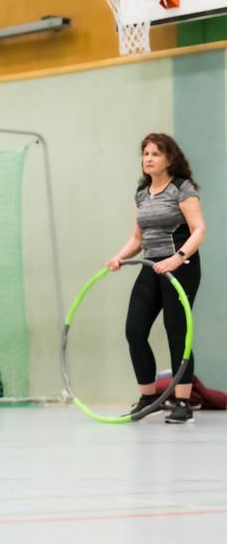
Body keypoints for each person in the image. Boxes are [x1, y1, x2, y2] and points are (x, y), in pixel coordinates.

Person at [106, 133, 205, 424]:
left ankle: (183, 402)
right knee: (134, 331)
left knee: (177, 332)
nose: (148, 158)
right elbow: (138, 237)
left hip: (181, 266)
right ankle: (149, 398)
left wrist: (178, 258)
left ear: (169, 159)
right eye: (145, 153)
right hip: (150, 266)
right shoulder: (142, 192)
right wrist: (119, 257)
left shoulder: (182, 189)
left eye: (155, 154)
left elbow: (199, 229)